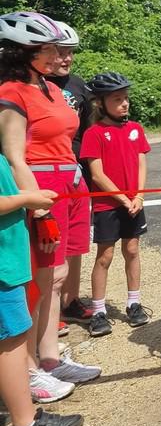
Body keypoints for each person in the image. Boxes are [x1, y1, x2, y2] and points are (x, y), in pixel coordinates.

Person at [0, 12, 101, 402]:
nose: (63, 56)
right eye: (53, 49)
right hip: (40, 186)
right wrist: (39, 213)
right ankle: (25, 367)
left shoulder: (51, 88)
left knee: (57, 276)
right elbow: (14, 156)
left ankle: (49, 356)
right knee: (38, 281)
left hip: (68, 182)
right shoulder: (12, 92)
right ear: (27, 52)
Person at [0, 154, 84, 426]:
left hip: (9, 263)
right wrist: (28, 201)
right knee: (11, 340)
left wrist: (29, 196)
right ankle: (25, 423)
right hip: (3, 268)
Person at [79, 72, 151, 337]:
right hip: (108, 204)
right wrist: (122, 198)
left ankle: (134, 302)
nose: (124, 104)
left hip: (134, 201)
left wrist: (139, 196)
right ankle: (98, 310)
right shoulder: (94, 133)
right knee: (105, 255)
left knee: (132, 250)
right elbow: (97, 174)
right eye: (117, 99)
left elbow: (142, 164)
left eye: (126, 98)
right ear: (101, 103)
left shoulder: (135, 129)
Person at [45, 23, 92, 329]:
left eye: (70, 53)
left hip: (75, 171)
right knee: (51, 242)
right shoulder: (35, 85)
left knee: (76, 244)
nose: (66, 59)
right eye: (60, 53)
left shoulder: (78, 86)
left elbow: (88, 129)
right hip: (48, 173)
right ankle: (48, 307)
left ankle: (70, 301)